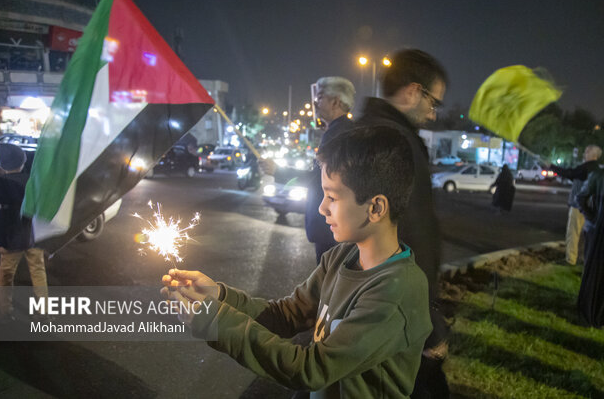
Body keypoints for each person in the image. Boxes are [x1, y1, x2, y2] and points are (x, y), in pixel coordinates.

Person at [162, 126, 432, 397]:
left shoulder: (396, 292)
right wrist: (220, 296)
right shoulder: (340, 257)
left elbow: (310, 369)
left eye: (333, 197)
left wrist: (216, 321)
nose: (322, 208)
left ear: (375, 208)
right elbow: (286, 315)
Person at [355, 48, 450, 398]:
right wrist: (429, 324)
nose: (432, 112)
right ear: (412, 91)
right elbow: (414, 237)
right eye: (432, 101)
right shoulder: (401, 145)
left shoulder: (358, 132)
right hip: (396, 316)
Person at [261, 76, 355, 263]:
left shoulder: (338, 134)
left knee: (328, 284)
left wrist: (278, 171)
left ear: (335, 101)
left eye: (320, 97)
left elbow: (319, 178)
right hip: (333, 225)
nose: (315, 103)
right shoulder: (339, 130)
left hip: (330, 227)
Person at [0, 143, 48, 321]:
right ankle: (44, 310)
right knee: (38, 270)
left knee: (6, 274)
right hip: (32, 236)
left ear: (1, 164)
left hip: (10, 240)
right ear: (23, 161)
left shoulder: (0, 186)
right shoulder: (33, 183)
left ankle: (6, 310)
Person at [575, 143, 604, 328]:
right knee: (595, 271)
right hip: (598, 233)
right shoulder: (600, 176)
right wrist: (593, 219)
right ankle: (593, 310)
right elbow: (581, 197)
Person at [550, 145, 602, 265]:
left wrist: (552, 167)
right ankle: (584, 258)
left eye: (586, 152)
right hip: (591, 208)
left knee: (573, 232)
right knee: (586, 234)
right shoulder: (597, 170)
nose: (584, 154)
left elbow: (569, 173)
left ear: (593, 154)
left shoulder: (585, 168)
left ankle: (570, 259)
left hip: (578, 205)